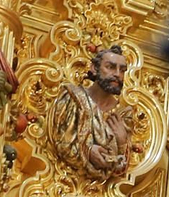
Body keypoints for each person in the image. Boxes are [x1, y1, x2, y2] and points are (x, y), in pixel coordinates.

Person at [48, 45, 132, 181]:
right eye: (110, 67)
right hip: (59, 179)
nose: (117, 74)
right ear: (94, 68)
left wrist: (122, 141)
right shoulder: (73, 98)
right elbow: (62, 142)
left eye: (122, 70)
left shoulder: (123, 115)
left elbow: (121, 170)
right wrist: (87, 151)